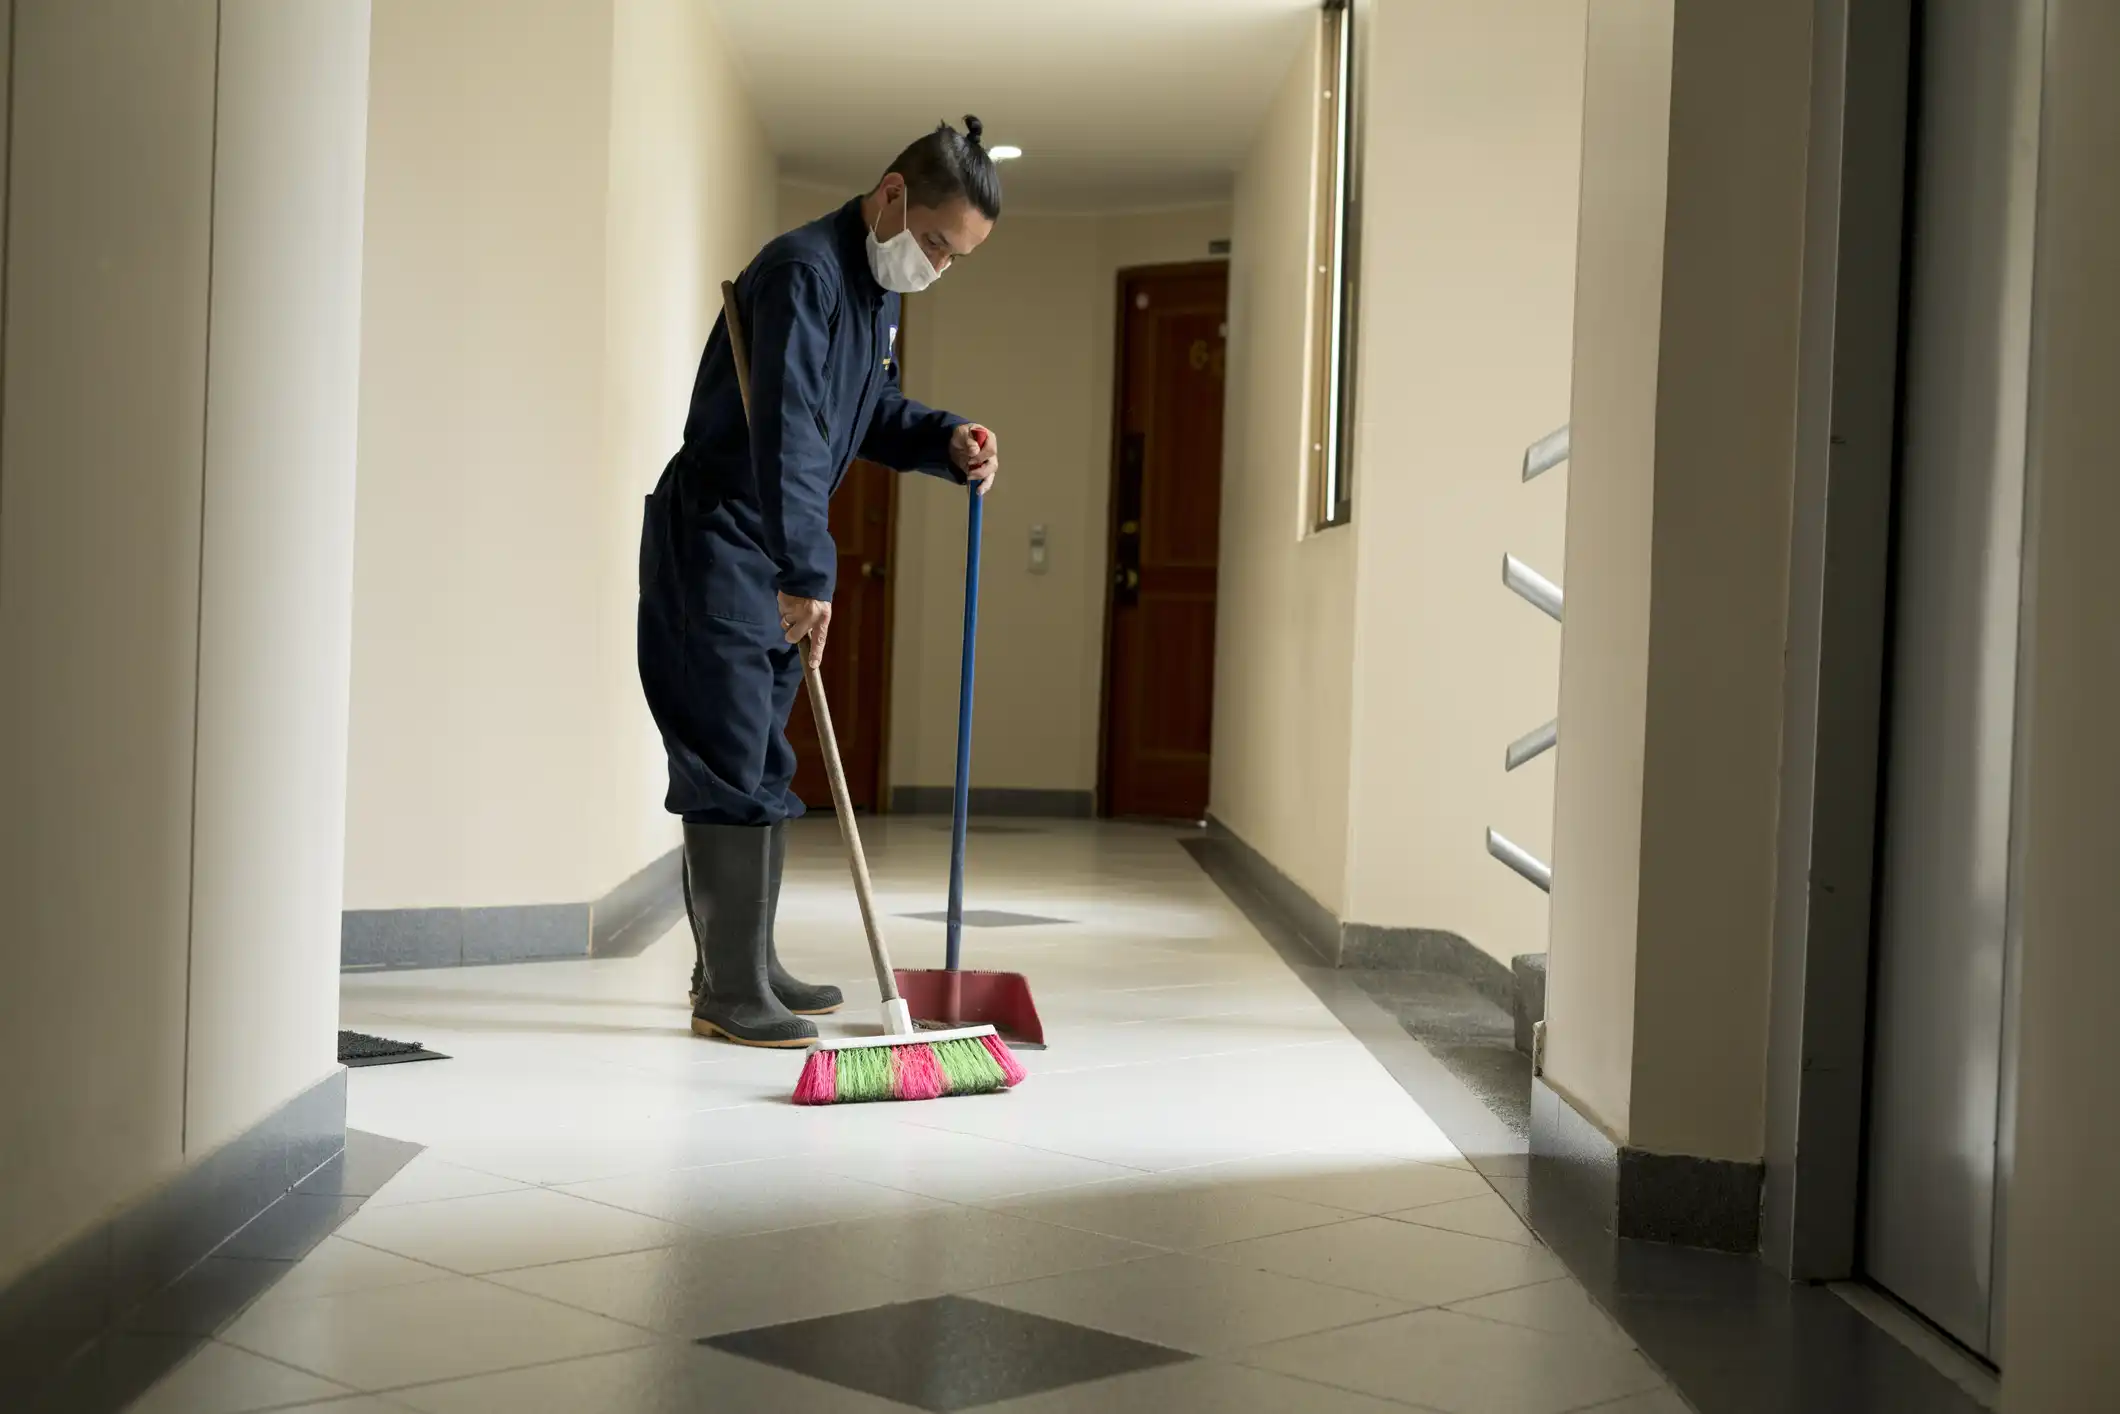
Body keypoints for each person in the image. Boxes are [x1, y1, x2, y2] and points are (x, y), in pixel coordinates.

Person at [637, 117, 1002, 1047]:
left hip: (766, 542)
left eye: (955, 259)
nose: (937, 268)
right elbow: (792, 435)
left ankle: (745, 964)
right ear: (890, 195)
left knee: (763, 755)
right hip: (721, 537)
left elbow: (864, 408)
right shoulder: (803, 273)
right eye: (934, 243)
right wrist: (809, 569)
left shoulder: (870, 290)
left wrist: (943, 439)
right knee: (728, 755)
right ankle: (727, 990)